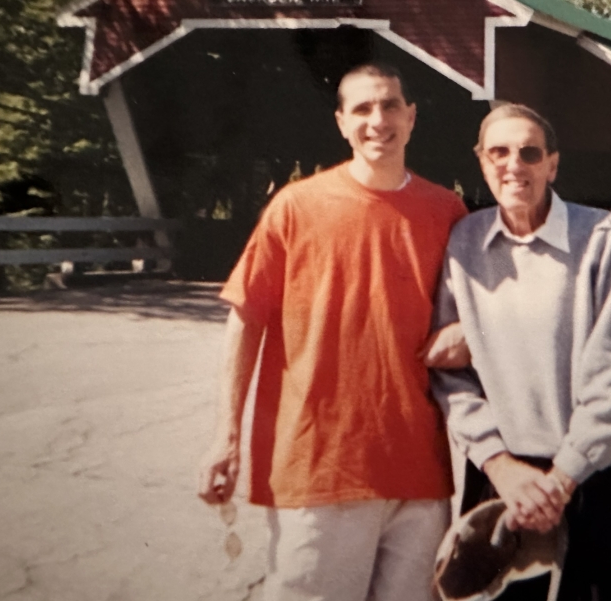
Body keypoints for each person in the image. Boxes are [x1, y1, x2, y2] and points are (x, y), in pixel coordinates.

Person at [197, 62, 469, 601]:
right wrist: (226, 435)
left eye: (391, 105)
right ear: (341, 123)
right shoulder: (296, 207)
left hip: (420, 472)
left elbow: (481, 311)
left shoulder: (448, 212)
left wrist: (469, 330)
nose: (378, 120)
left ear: (411, 117)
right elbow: (245, 319)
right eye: (363, 109)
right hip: (319, 469)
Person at [431, 104, 611, 600]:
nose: (513, 165)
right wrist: (498, 464)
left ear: (552, 165)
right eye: (499, 152)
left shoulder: (603, 237)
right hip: (504, 480)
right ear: (481, 162)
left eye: (529, 153)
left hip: (602, 480)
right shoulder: (465, 242)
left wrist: (561, 480)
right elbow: (450, 374)